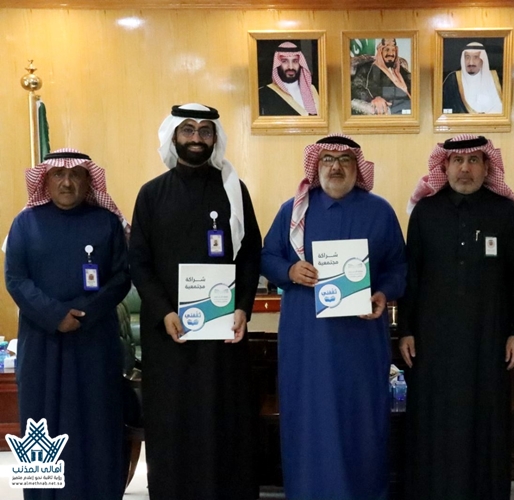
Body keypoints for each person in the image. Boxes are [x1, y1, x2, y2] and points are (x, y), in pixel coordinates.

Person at [398, 134, 514, 500]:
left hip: (488, 341)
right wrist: (406, 330)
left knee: (486, 422)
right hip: (433, 344)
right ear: (444, 166)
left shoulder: (505, 212)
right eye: (457, 161)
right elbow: (411, 277)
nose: (465, 169)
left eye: (474, 160)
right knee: (435, 421)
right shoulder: (425, 212)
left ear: (487, 167)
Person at [261, 134, 407, 500]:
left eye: (344, 160)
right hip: (306, 341)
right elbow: (266, 257)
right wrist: (290, 271)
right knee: (310, 420)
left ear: (357, 167)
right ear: (316, 165)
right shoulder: (293, 211)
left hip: (360, 342)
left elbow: (399, 267)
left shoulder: (380, 211)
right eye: (327, 159)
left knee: (361, 421)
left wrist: (382, 293)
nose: (335, 167)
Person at [129, 104, 262, 500]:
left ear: (215, 138)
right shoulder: (152, 194)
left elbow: (250, 254)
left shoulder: (234, 190)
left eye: (205, 131)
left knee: (224, 420)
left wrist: (243, 306)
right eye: (188, 130)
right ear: (173, 136)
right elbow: (139, 262)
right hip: (170, 336)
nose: (196, 138)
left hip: (222, 337)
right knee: (173, 422)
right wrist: (164, 312)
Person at [4, 148, 131, 500]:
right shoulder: (25, 223)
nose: (66, 182)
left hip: (95, 342)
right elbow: (15, 279)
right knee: (42, 427)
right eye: (58, 175)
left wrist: (84, 313)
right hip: (41, 342)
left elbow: (121, 277)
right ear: (45, 180)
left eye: (76, 175)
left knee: (96, 423)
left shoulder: (106, 223)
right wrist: (55, 315)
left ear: (89, 181)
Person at [351, 38, 411, 115]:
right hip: (394, 108)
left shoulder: (399, 69)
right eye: (387, 49)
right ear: (380, 51)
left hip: (409, 106)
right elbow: (356, 87)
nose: (391, 53)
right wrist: (375, 98)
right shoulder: (368, 68)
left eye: (393, 50)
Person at [258, 41, 319, 116]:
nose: (290, 67)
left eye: (295, 61)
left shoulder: (313, 90)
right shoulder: (264, 94)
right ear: (277, 64)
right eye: (284, 61)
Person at [442, 41, 503, 114]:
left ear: (482, 60)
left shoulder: (497, 79)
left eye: (476, 57)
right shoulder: (452, 80)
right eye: (467, 57)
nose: (471, 62)